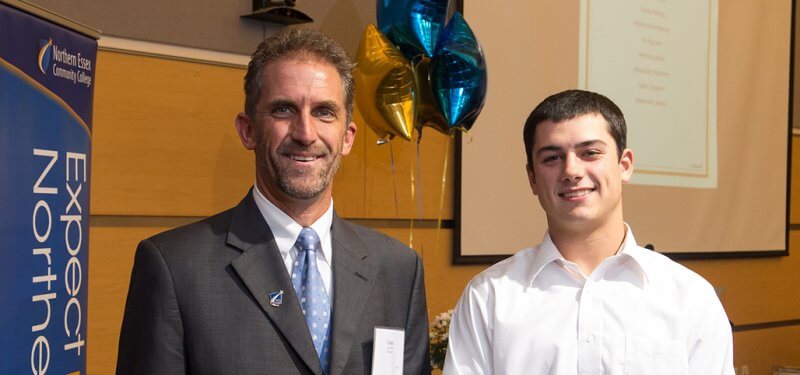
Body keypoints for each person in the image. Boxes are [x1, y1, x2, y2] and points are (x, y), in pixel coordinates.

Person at [117, 29, 430, 375]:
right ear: (248, 130)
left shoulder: (400, 270)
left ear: (348, 137)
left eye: (324, 112)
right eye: (284, 110)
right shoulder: (175, 268)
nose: (306, 133)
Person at [443, 90, 733, 375]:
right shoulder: (489, 297)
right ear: (532, 178)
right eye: (552, 158)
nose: (571, 170)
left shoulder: (690, 297)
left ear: (625, 165)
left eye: (590, 153)